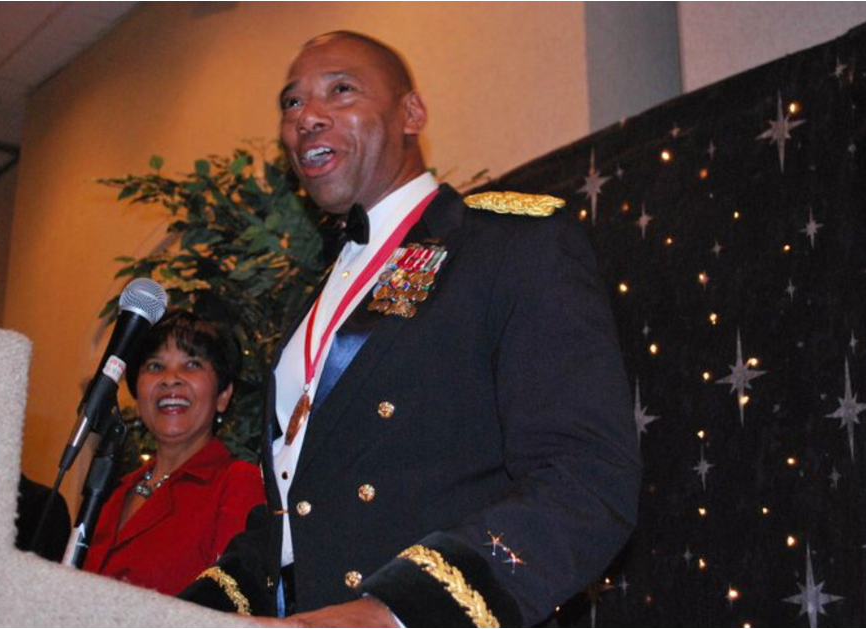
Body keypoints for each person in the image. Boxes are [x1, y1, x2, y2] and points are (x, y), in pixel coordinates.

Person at [180, 32, 640, 627]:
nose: (306, 118)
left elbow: (586, 481)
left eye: (340, 90)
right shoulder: (319, 305)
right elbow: (294, 525)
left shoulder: (506, 244)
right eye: (290, 104)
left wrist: (394, 611)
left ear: (411, 113)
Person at [83, 311, 265, 597]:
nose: (170, 380)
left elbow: (230, 608)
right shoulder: (115, 493)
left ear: (223, 395)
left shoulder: (238, 484)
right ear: (138, 396)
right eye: (155, 366)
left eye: (191, 364)